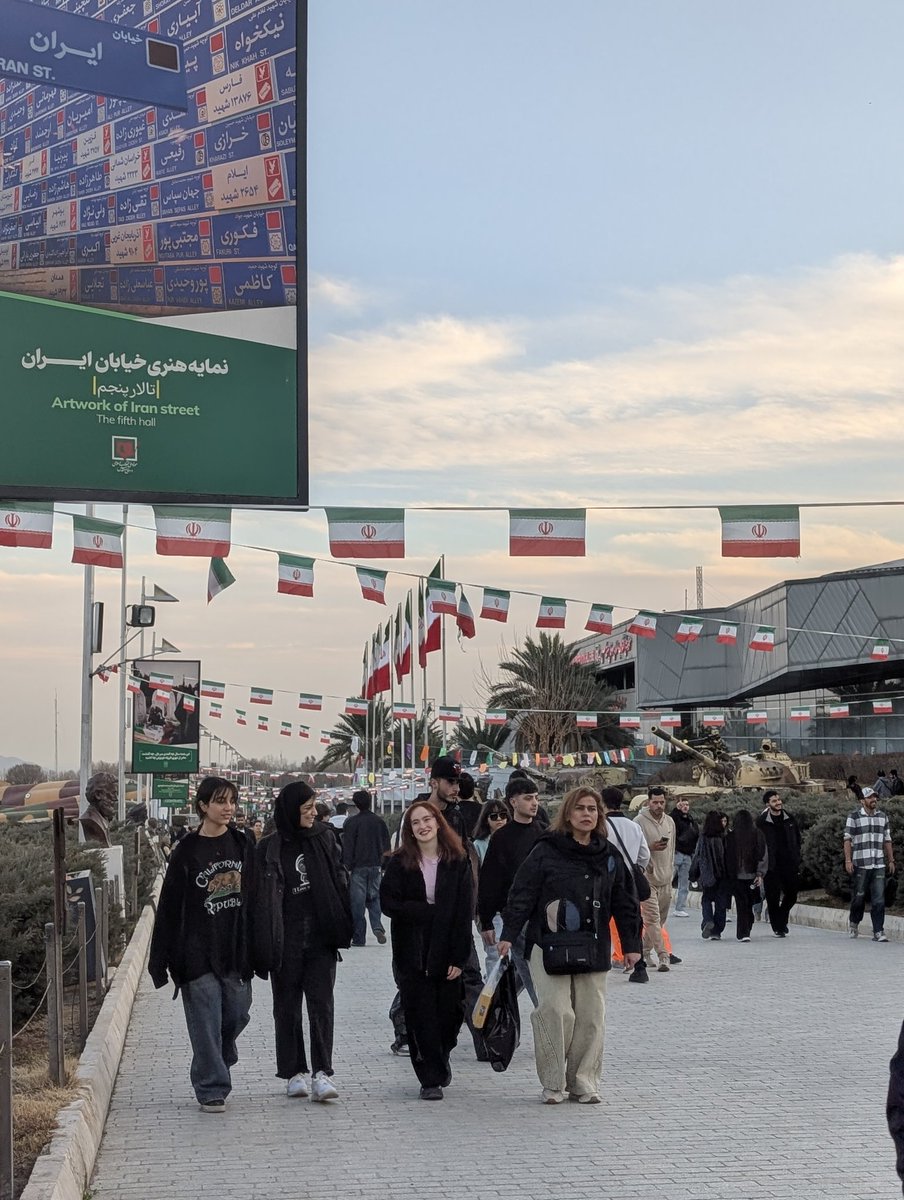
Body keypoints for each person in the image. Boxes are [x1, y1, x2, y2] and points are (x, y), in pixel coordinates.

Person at [499, 786, 642, 1105]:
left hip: (592, 944)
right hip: (548, 944)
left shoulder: (608, 854)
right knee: (555, 1011)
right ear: (568, 813)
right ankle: (553, 1081)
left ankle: (583, 1081)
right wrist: (508, 933)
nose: (587, 814)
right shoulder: (546, 850)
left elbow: (625, 900)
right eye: (580, 808)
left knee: (591, 1015)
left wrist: (632, 945)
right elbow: (522, 892)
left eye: (593, 809)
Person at [148, 777, 254, 1113]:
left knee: (236, 1013)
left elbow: (259, 897)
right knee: (205, 1018)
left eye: (232, 801)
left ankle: (220, 1053)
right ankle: (211, 1085)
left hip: (236, 947)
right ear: (203, 806)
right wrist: (160, 958)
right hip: (195, 949)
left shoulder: (243, 843)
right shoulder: (187, 852)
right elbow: (169, 906)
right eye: (221, 801)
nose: (228, 808)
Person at [250, 781, 352, 1102]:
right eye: (306, 808)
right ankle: (294, 1072)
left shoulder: (324, 837)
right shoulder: (269, 847)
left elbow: (340, 876)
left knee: (321, 1005)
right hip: (285, 940)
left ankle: (323, 1072)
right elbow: (258, 898)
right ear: (291, 810)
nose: (313, 813)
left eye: (314, 807)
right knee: (287, 1008)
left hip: (321, 938)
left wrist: (343, 918)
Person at [380, 801, 474, 1100]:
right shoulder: (399, 863)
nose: (422, 826)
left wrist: (459, 957)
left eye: (427, 820)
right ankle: (429, 1077)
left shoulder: (457, 861)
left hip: (447, 945)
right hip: (412, 949)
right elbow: (388, 903)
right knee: (421, 1017)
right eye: (415, 822)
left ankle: (441, 1056)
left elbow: (464, 910)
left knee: (450, 1013)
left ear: (437, 823)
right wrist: (423, 911)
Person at [477, 777, 544, 1004]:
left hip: (545, 918)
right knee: (532, 980)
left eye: (536, 798)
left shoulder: (545, 834)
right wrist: (486, 920)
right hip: (516, 918)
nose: (534, 803)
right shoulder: (502, 838)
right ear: (513, 802)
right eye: (528, 798)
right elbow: (490, 880)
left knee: (543, 979)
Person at [601, 786, 651, 982]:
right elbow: (644, 855)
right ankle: (640, 966)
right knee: (633, 922)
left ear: (602, 803)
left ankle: (605, 960)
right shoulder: (633, 826)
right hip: (628, 882)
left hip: (604, 881)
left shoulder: (600, 827)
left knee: (602, 922)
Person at [844, 785, 895, 941]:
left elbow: (887, 839)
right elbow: (847, 839)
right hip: (861, 863)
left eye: (875, 797)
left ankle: (878, 931)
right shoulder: (854, 817)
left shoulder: (882, 817)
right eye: (869, 797)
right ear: (862, 801)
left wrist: (891, 859)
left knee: (879, 899)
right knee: (859, 897)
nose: (873, 800)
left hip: (878, 864)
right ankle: (854, 923)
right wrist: (848, 860)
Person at [634, 787, 676, 971]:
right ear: (648, 802)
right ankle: (663, 956)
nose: (658, 806)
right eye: (655, 802)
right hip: (647, 878)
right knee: (651, 918)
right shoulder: (638, 822)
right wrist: (649, 848)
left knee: (659, 921)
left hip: (666, 877)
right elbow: (635, 850)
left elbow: (672, 849)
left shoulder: (670, 821)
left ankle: (644, 951)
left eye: (661, 802)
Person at [342, 788, 390, 947]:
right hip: (376, 865)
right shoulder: (379, 821)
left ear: (355, 804)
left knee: (357, 903)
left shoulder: (351, 823)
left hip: (358, 867)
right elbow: (386, 844)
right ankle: (377, 927)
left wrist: (346, 866)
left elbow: (348, 846)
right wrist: (385, 864)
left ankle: (359, 937)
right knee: (374, 897)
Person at [756, 790, 802, 938]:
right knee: (772, 897)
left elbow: (797, 838)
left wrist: (796, 856)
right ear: (768, 804)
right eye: (774, 801)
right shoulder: (762, 822)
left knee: (792, 895)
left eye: (779, 800)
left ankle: (781, 918)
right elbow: (758, 844)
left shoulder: (789, 818)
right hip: (771, 865)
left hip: (789, 863)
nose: (778, 803)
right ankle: (778, 927)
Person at [725, 810, 767, 942]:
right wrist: (760, 874)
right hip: (752, 875)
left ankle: (743, 932)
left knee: (741, 904)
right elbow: (763, 855)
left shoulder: (730, 837)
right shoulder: (757, 834)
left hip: (736, 876)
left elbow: (725, 857)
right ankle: (746, 928)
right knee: (749, 903)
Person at [692, 810, 730, 940]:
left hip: (707, 874)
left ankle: (708, 920)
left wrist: (694, 873)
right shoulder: (724, 837)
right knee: (721, 903)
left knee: (706, 899)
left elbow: (697, 856)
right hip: (723, 875)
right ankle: (717, 931)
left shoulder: (703, 837)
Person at [670, 796, 699, 917]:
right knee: (668, 880)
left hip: (687, 855)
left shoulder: (690, 820)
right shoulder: (675, 818)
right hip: (677, 853)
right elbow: (671, 821)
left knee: (684, 882)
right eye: (682, 804)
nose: (685, 807)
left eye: (687, 804)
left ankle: (680, 907)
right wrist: (676, 810)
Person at [472, 798, 511, 866]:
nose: (499, 819)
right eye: (494, 816)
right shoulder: (478, 844)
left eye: (503, 815)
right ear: (486, 820)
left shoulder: (514, 839)